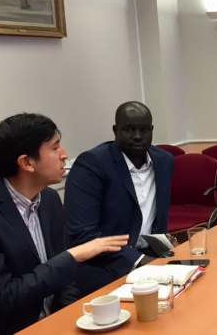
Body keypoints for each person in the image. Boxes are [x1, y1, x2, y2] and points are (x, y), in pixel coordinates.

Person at [0, 113, 128, 334]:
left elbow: (63, 277)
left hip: (47, 323)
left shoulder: (48, 199)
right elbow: (3, 298)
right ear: (26, 162)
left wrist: (73, 317)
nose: (65, 155)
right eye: (55, 147)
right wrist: (73, 256)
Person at [65, 101, 174, 295]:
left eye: (144, 129)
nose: (138, 136)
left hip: (150, 258)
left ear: (152, 129)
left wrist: (163, 248)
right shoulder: (92, 164)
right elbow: (82, 234)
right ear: (115, 130)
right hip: (103, 266)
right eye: (129, 129)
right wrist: (139, 261)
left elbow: (157, 217)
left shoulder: (164, 161)